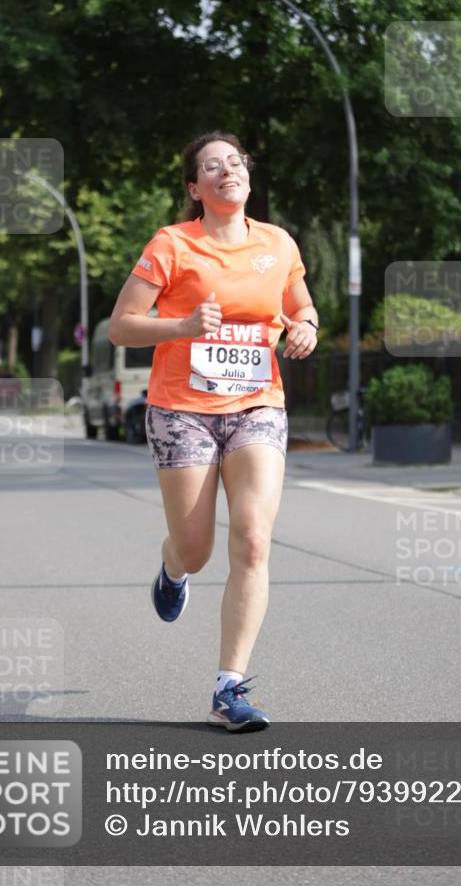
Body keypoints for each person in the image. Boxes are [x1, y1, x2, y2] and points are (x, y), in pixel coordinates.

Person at [108, 130, 318, 732]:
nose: (228, 170)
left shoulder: (278, 244)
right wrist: (179, 325)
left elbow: (301, 309)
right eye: (212, 166)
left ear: (247, 176)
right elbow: (121, 326)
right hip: (182, 410)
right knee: (197, 549)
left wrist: (306, 328)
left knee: (252, 540)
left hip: (257, 405)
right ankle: (172, 567)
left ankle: (229, 688)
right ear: (195, 188)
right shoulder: (172, 245)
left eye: (236, 161)